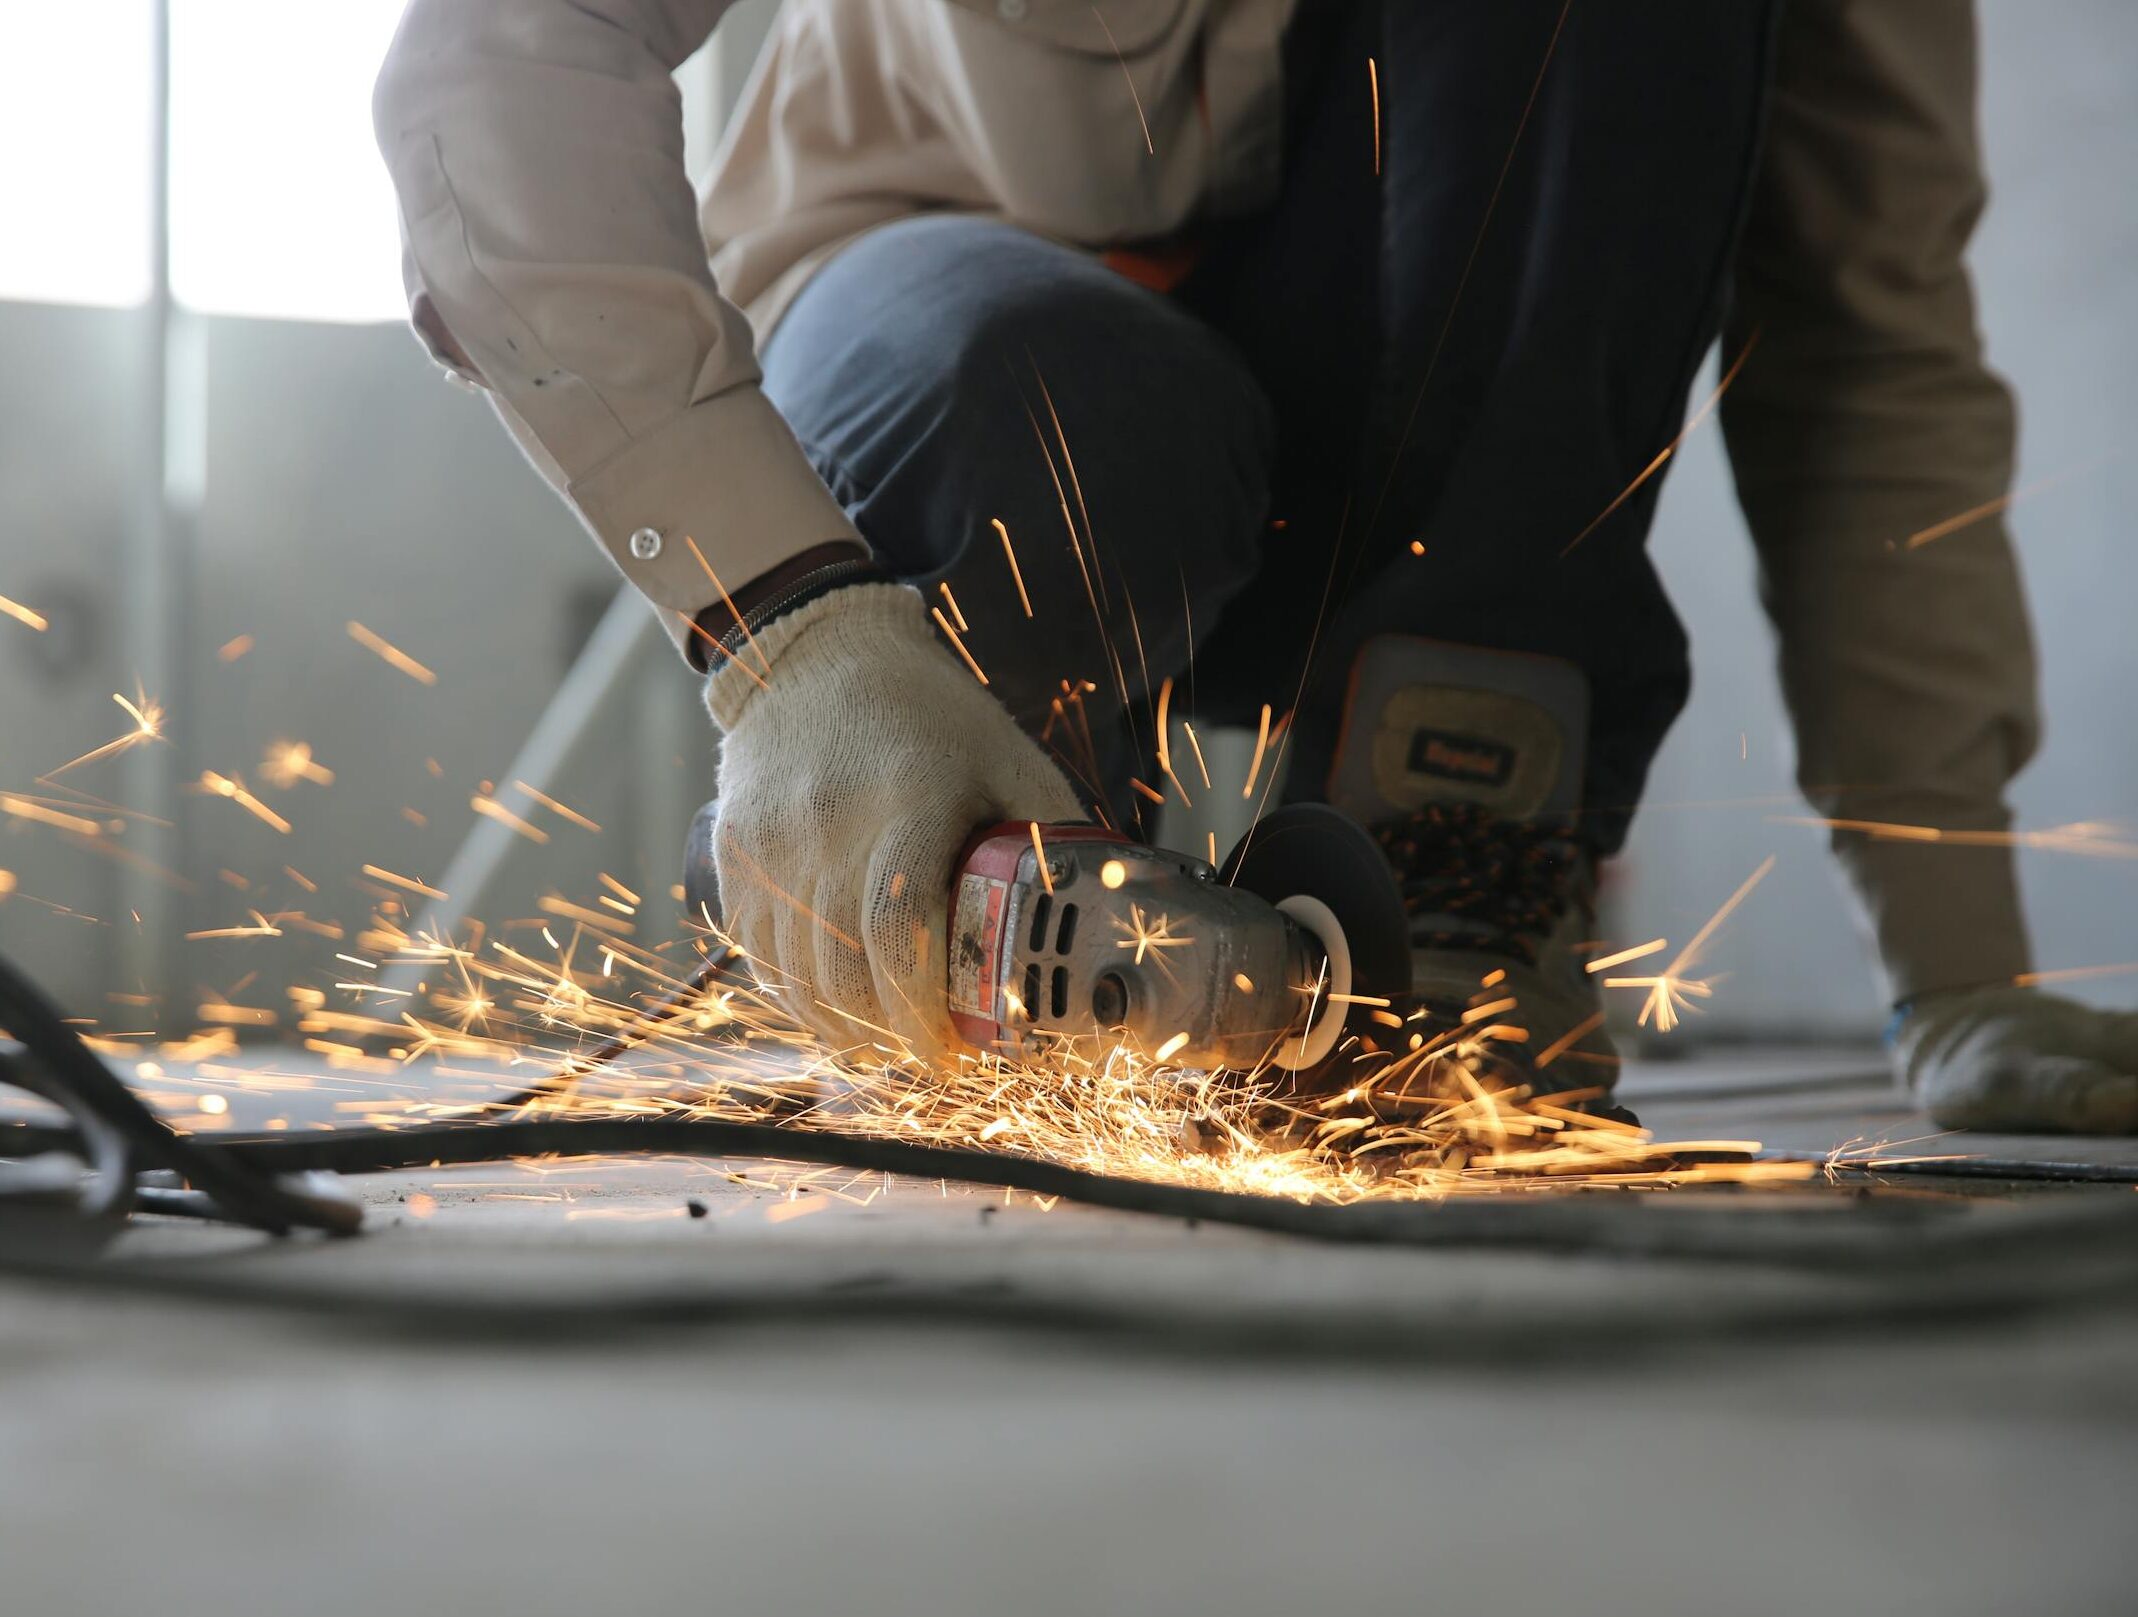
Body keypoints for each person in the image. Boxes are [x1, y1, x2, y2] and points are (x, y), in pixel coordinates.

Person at [375, 0, 2137, 1131]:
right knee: (1047, 406)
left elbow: (1866, 338)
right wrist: (789, 637)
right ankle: (955, 866)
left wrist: (1958, 962)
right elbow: (500, 59)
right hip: (968, 346)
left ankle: (1449, 862)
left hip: (1430, 466)